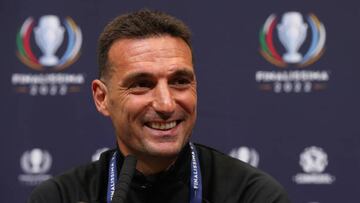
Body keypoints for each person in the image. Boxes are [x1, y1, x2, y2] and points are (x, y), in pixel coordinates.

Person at [29, 9, 291, 203]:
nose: (166, 104)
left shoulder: (253, 196)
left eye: (179, 81)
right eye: (142, 84)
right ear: (102, 98)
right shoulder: (58, 197)